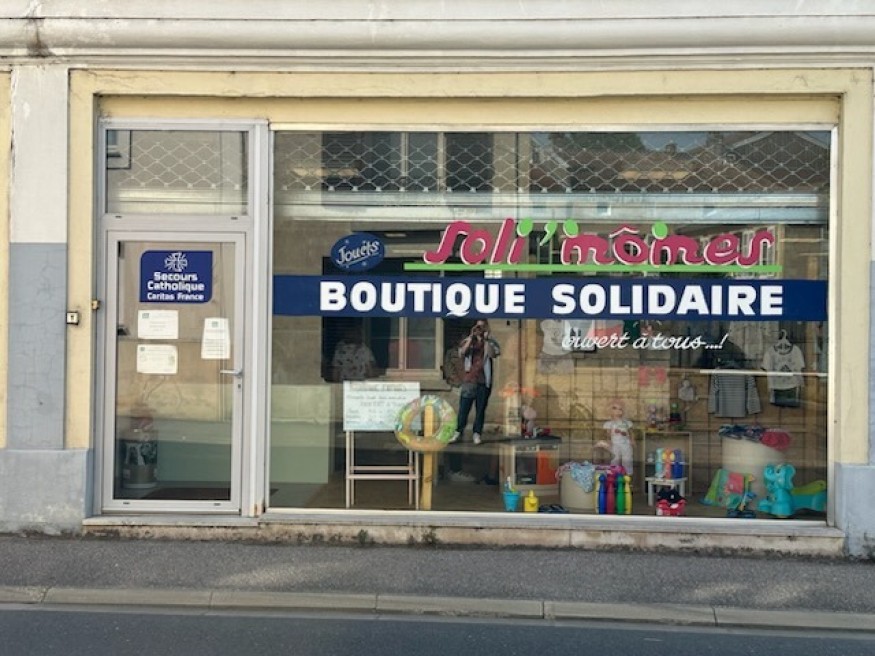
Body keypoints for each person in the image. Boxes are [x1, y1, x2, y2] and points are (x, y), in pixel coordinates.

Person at [449, 319, 500, 446]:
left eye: (482, 327)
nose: (479, 329)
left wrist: (486, 340)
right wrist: (471, 337)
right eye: (478, 326)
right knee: (464, 409)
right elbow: (462, 353)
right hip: (469, 380)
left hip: (483, 380)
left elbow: (493, 354)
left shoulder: (490, 342)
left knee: (480, 409)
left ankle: (477, 433)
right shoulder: (468, 341)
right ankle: (458, 431)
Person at [602, 399, 634, 476]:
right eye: (615, 408)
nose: (618, 411)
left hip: (626, 444)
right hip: (615, 444)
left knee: (627, 459)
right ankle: (614, 475)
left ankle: (627, 475)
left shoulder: (626, 423)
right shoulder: (609, 424)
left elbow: (631, 432)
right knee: (615, 459)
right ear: (610, 411)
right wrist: (608, 442)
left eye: (620, 409)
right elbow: (607, 435)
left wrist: (632, 440)